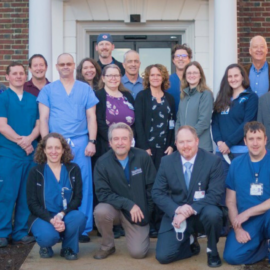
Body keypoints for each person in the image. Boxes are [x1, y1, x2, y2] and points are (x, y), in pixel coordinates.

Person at [37, 53, 99, 243]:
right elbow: (44, 119)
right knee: (57, 183)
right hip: (56, 143)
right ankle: (58, 225)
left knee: (84, 183)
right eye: (62, 64)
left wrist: (92, 141)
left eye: (69, 63)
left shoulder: (85, 89)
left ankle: (82, 228)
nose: (65, 66)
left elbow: (91, 117)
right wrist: (47, 144)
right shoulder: (48, 90)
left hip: (81, 142)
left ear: (74, 66)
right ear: (56, 66)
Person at [152, 125, 224, 267]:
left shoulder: (212, 161)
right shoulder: (166, 162)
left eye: (189, 141)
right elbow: (157, 192)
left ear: (197, 141)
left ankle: (212, 250)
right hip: (176, 214)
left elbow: (215, 194)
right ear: (176, 144)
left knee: (213, 214)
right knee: (163, 256)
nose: (185, 146)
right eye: (181, 142)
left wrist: (190, 210)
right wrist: (177, 210)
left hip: (201, 212)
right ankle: (190, 241)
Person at [93, 123, 156, 259]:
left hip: (137, 212)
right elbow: (102, 193)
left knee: (138, 253)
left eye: (124, 138)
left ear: (131, 141)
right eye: (116, 139)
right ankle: (107, 246)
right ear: (110, 142)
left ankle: (137, 233)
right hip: (114, 209)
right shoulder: (102, 163)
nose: (120, 143)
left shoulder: (142, 157)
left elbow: (152, 188)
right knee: (101, 211)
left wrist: (147, 212)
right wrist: (128, 204)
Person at [27, 133, 86, 260]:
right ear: (44, 150)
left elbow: (77, 199)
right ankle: (45, 246)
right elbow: (32, 204)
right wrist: (51, 219)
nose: (53, 151)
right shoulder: (35, 172)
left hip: (65, 215)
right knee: (48, 237)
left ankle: (68, 248)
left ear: (63, 150)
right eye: (49, 148)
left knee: (79, 217)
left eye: (57, 148)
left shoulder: (73, 170)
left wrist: (61, 215)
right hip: (43, 217)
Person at [0, 62, 39, 247]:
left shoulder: (33, 99)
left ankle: (20, 232)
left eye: (21, 73)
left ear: (26, 76)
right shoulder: (3, 98)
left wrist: (30, 139)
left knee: (25, 194)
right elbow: (2, 126)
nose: (18, 76)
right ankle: (2, 232)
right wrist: (22, 142)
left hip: (30, 154)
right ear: (7, 77)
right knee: (7, 194)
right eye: (14, 73)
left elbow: (39, 125)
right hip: (9, 154)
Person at [135, 64, 175, 238]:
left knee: (163, 186)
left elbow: (173, 124)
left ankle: (161, 222)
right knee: (148, 186)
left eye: (159, 75)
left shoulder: (170, 98)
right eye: (152, 75)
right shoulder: (142, 96)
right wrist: (145, 148)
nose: (155, 78)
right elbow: (138, 124)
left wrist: (172, 144)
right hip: (147, 150)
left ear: (163, 77)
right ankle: (149, 223)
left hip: (165, 150)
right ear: (147, 78)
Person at [223, 121, 270, 265]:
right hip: (248, 223)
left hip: (268, 216)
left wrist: (248, 212)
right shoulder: (236, 164)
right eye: (251, 139)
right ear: (245, 141)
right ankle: (264, 248)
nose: (255, 143)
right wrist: (238, 229)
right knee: (231, 256)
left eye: (259, 139)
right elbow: (230, 201)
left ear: (265, 140)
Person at [212, 63, 258, 180]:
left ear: (243, 77)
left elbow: (247, 124)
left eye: (236, 76)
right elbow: (215, 122)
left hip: (241, 152)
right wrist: (219, 142)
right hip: (221, 152)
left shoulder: (250, 97)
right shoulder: (222, 98)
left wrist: (228, 143)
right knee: (221, 189)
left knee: (241, 187)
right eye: (230, 76)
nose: (233, 79)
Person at [95, 64, 135, 161]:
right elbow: (98, 121)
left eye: (116, 75)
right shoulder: (97, 95)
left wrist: (129, 139)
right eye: (109, 76)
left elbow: (135, 119)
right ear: (103, 78)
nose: (113, 78)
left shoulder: (127, 95)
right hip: (107, 145)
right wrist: (114, 140)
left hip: (129, 144)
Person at [175, 61, 213, 152]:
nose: (192, 75)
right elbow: (178, 121)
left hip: (201, 147)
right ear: (185, 76)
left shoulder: (205, 94)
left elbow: (204, 122)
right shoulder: (183, 95)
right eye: (189, 73)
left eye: (195, 73)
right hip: (184, 147)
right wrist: (178, 138)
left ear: (200, 76)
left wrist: (188, 139)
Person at [167, 44, 192, 111]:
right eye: (177, 56)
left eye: (184, 56)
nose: (180, 58)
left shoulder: (194, 80)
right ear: (173, 60)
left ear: (189, 59)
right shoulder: (166, 81)